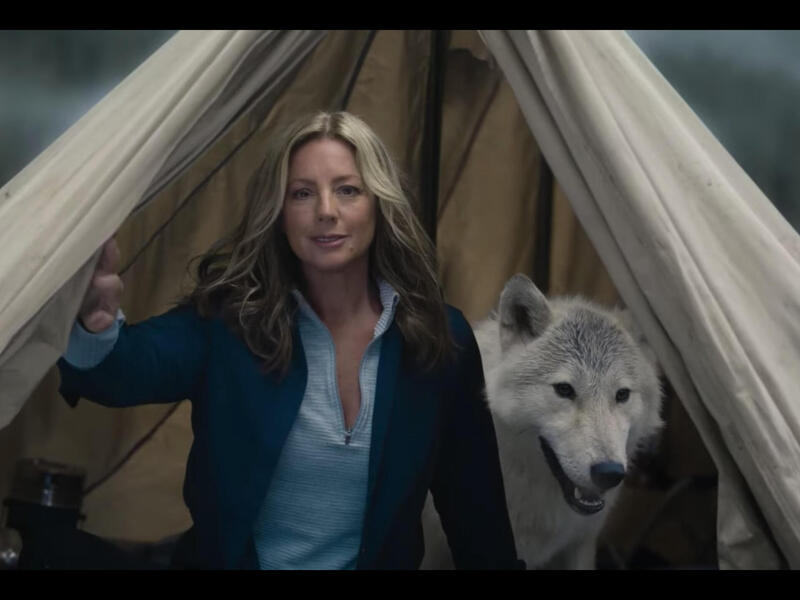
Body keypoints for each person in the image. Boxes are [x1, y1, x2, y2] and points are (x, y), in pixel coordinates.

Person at [58, 111, 523, 570]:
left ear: (379, 204)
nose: (326, 211)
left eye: (347, 189)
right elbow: (119, 371)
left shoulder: (441, 338)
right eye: (302, 193)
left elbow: (475, 510)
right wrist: (94, 322)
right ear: (278, 213)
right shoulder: (230, 323)